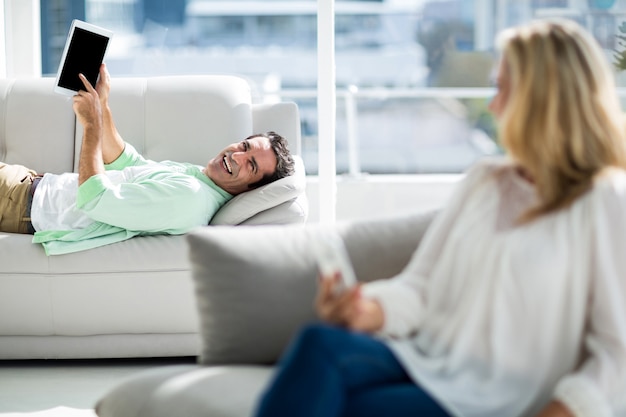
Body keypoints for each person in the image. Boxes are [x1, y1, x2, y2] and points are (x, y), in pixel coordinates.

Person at [253, 19, 626, 417]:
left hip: (503, 395)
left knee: (356, 406)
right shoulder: (485, 180)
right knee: (319, 342)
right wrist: (369, 310)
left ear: (544, 100)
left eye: (502, 89)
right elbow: (421, 287)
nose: (493, 104)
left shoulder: (604, 199)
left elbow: (616, 352)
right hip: (429, 359)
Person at [0, 64, 295, 255]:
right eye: (244, 145)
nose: (237, 155)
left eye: (251, 165)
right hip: (29, 186)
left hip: (23, 203)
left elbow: (94, 199)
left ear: (250, 189)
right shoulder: (198, 180)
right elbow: (125, 162)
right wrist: (102, 106)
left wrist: (91, 124)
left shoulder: (190, 199)